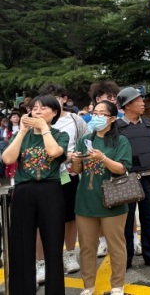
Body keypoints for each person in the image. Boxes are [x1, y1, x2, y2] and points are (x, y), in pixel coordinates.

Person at [2, 95, 69, 294]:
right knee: (22, 246)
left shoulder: (59, 134)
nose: (37, 111)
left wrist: (44, 129)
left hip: (50, 190)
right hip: (24, 191)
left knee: (53, 245)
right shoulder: (22, 135)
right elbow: (7, 158)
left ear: (55, 112)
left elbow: (54, 153)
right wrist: (22, 131)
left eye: (43, 108)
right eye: (34, 108)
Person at [71, 101, 132, 295]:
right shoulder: (85, 139)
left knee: (116, 246)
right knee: (87, 247)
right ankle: (88, 286)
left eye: (102, 114)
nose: (96, 117)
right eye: (94, 112)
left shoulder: (121, 141)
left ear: (112, 118)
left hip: (112, 201)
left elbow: (122, 169)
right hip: (85, 201)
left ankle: (117, 285)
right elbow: (77, 170)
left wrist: (103, 158)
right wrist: (75, 161)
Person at [36, 84, 89, 280]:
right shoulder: (35, 122)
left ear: (64, 99)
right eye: (46, 98)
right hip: (42, 178)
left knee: (70, 218)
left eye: (56, 97)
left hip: (68, 176)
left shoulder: (75, 120)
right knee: (41, 222)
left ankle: (69, 255)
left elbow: (85, 143)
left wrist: (77, 160)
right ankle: (41, 262)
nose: (52, 101)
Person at [116, 87, 150, 269]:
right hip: (126, 179)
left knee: (148, 218)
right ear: (128, 105)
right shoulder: (116, 127)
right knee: (126, 221)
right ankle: (126, 258)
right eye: (138, 100)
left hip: (148, 177)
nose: (142, 103)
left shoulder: (148, 124)